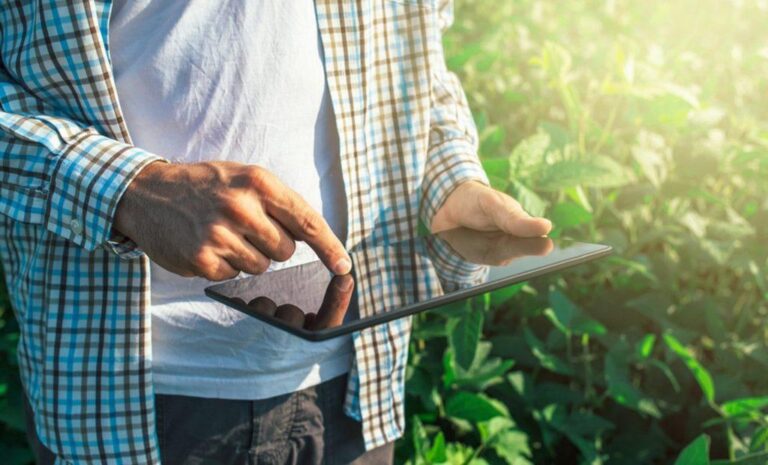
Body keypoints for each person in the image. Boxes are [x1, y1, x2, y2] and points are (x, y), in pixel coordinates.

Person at [0, 1, 552, 464]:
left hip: (357, 389)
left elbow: (416, 64)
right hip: (129, 400)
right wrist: (128, 190)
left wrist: (448, 179)